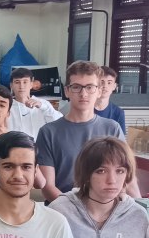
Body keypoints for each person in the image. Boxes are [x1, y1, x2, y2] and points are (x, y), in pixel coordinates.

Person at [37, 61, 138, 202]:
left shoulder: (112, 128)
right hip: (62, 208)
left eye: (90, 87)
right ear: (67, 91)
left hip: (105, 208)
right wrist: (78, 210)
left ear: (99, 91)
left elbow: (128, 178)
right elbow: (48, 187)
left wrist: (140, 205)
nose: (83, 93)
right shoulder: (49, 132)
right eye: (76, 87)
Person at [8, 67, 62, 140]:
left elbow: (59, 124)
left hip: (39, 145)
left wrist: (43, 107)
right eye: (17, 82)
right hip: (14, 145)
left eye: (25, 82)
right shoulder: (7, 106)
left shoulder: (43, 104)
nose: (21, 86)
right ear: (11, 85)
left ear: (31, 84)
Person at [93, 66, 126, 133]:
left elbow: (120, 138)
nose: (105, 86)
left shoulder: (118, 113)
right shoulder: (85, 109)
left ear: (114, 86)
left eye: (109, 83)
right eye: (101, 82)